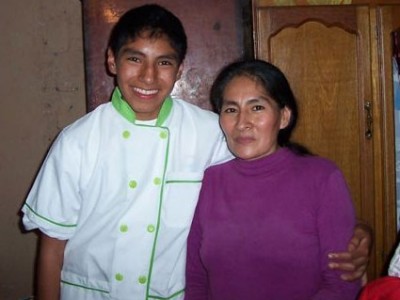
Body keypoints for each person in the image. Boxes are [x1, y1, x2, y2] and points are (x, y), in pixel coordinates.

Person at [21, 4, 369, 300]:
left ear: (180, 69)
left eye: (164, 63)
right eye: (134, 59)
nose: (148, 76)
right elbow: (52, 247)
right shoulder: (78, 140)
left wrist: (356, 230)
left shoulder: (210, 130)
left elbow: (277, 172)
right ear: (112, 61)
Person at [185, 59, 362, 299]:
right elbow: (197, 278)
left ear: (284, 117)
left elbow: (341, 284)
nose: (242, 122)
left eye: (256, 108)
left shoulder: (322, 178)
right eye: (231, 109)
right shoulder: (211, 181)